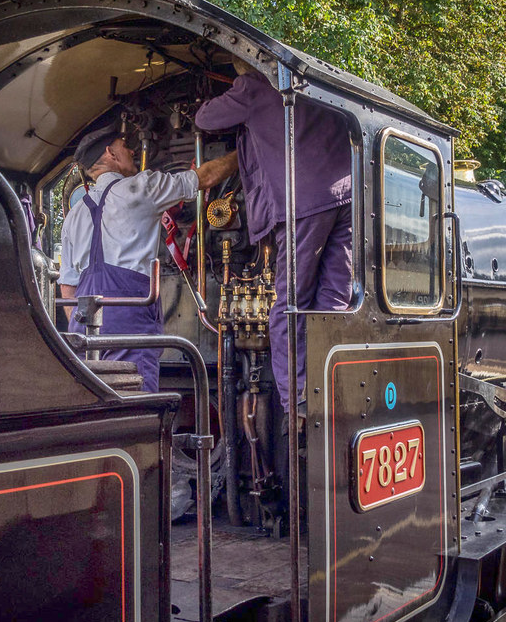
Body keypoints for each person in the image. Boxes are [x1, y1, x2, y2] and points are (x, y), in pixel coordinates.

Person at [194, 60, 352, 410]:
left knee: (289, 306)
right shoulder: (316, 80)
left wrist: (233, 85)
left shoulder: (254, 85)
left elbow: (204, 119)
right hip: (345, 195)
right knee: (334, 299)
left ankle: (297, 401)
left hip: (304, 202)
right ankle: (333, 391)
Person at [59, 125, 238, 393]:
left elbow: (67, 287)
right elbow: (205, 176)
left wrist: (92, 328)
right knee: (135, 405)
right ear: (111, 153)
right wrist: (243, 153)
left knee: (93, 405)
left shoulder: (74, 215)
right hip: (129, 324)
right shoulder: (141, 188)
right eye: (124, 144)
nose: (131, 150)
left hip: (84, 329)